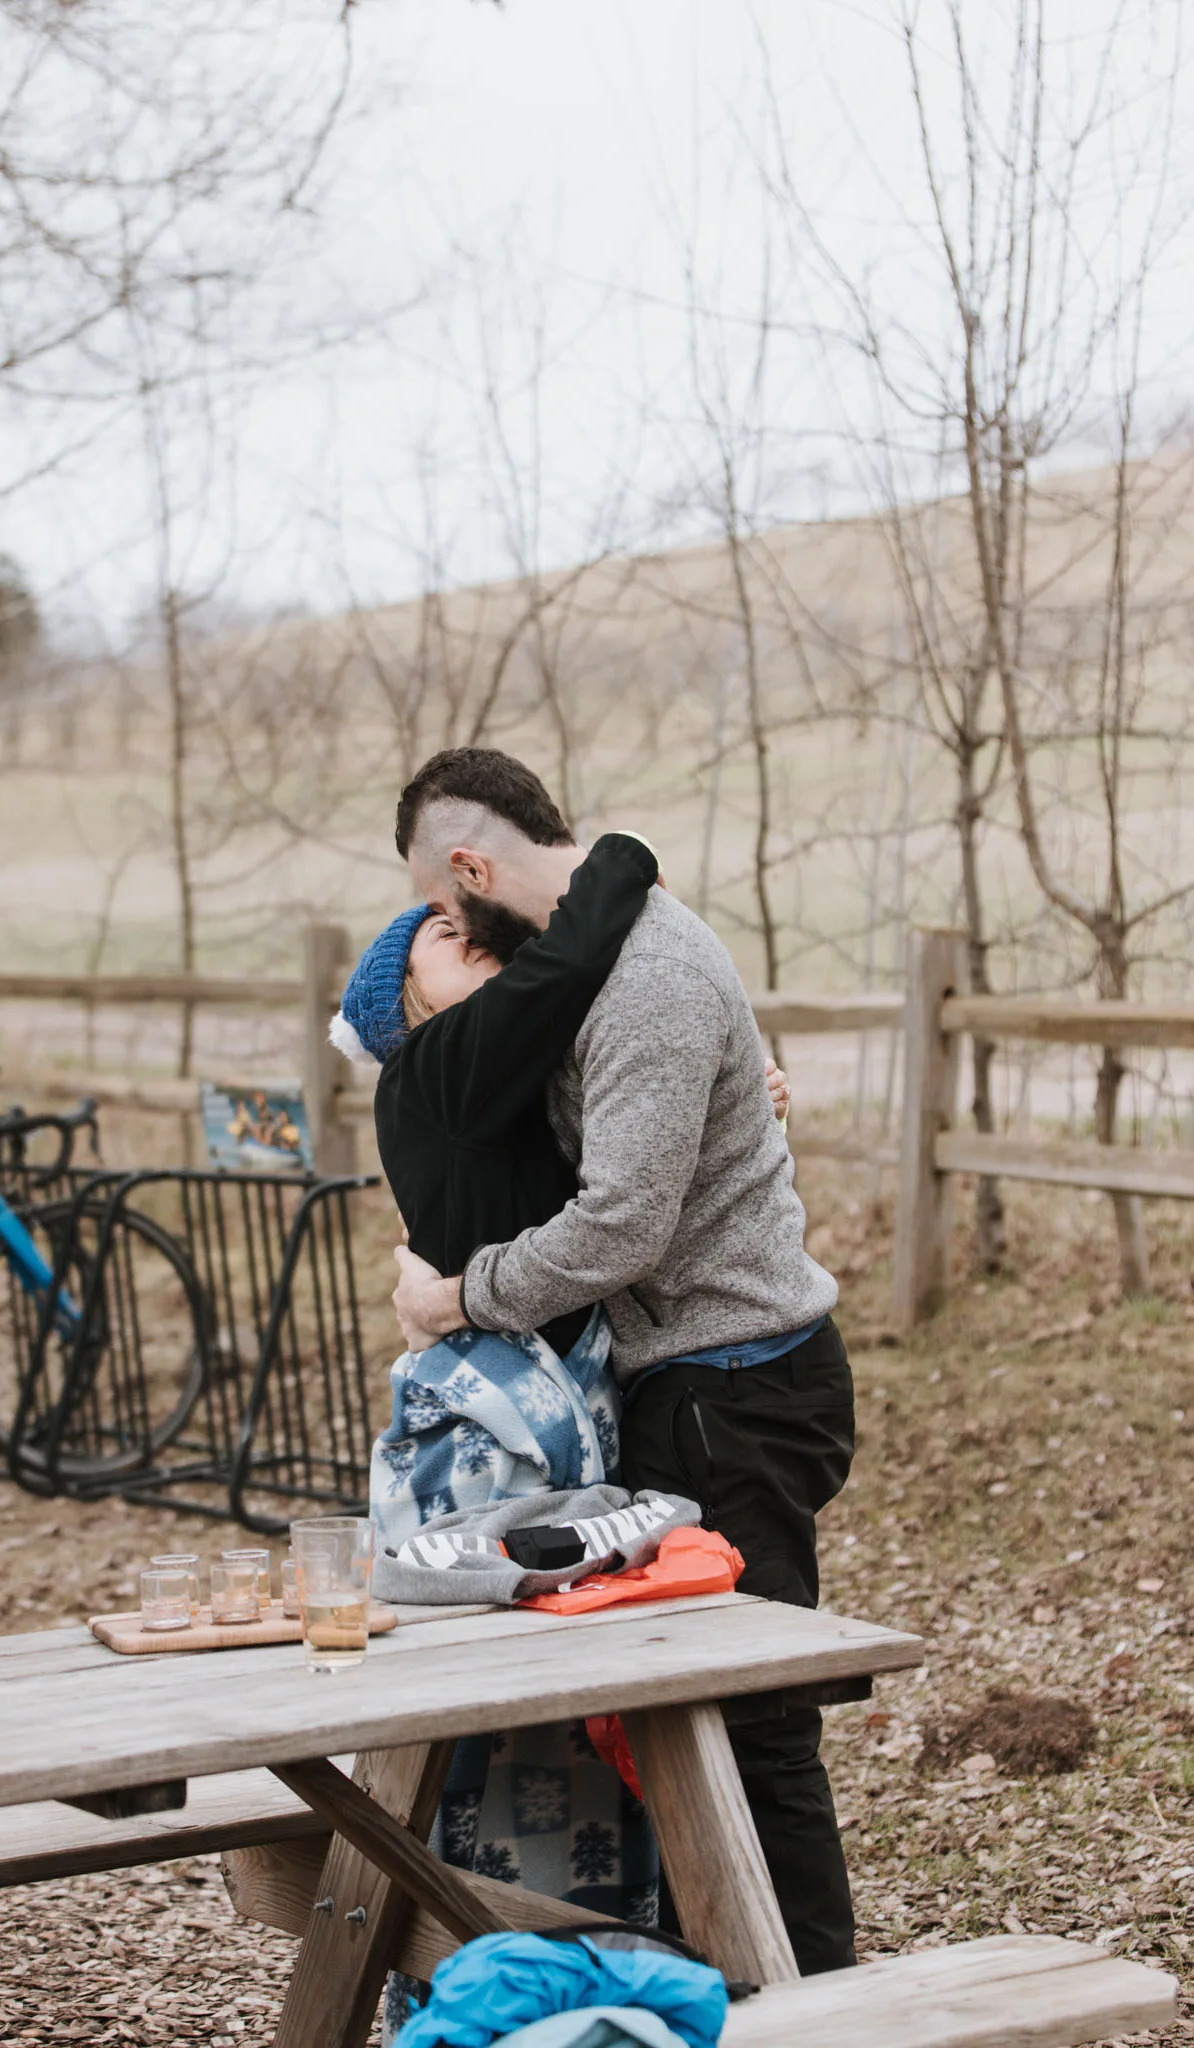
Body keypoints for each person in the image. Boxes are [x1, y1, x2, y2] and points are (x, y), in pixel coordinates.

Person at [388, 747, 857, 1979]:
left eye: (441, 905)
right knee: (689, 1724)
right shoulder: (602, 956)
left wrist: (455, 1294)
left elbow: (620, 1227)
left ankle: (808, 1999)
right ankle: (730, 1979)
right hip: (706, 1377)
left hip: (732, 1384)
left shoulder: (640, 977)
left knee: (748, 1723)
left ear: (473, 868)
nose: (441, 929)